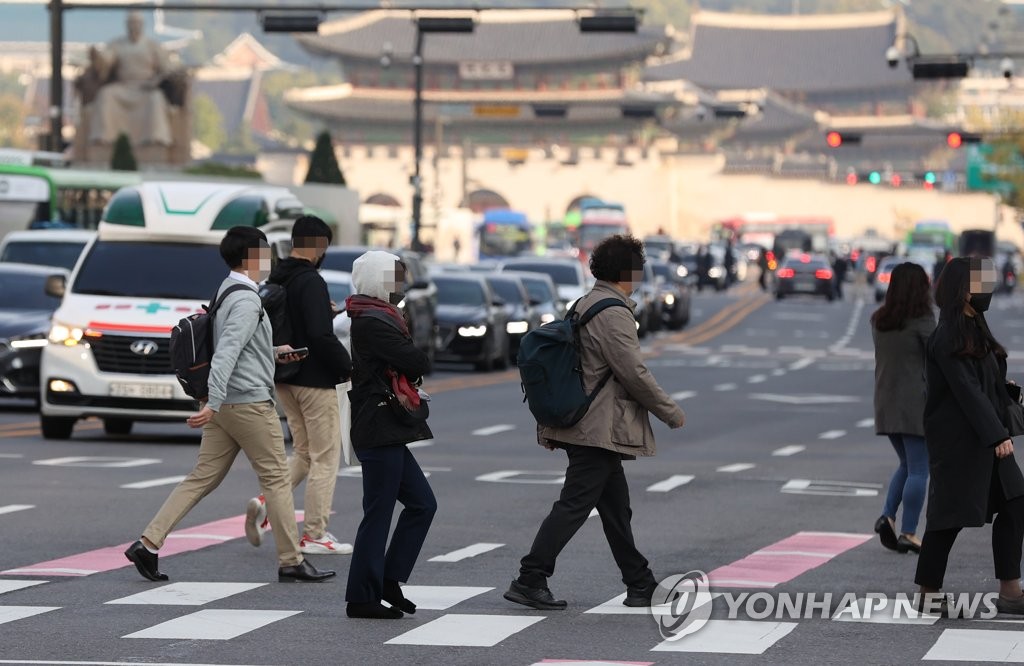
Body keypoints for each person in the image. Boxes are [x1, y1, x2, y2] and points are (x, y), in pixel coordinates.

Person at [124, 226, 335, 584]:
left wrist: (272, 354)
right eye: (266, 252)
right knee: (276, 480)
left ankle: (148, 543)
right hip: (247, 404)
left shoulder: (227, 290)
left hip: (228, 404)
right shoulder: (247, 299)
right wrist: (213, 402)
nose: (269, 259)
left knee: (201, 478)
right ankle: (290, 560)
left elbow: (236, 348)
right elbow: (225, 353)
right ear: (253, 256)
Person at [504, 234, 686, 611]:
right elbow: (632, 371)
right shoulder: (613, 312)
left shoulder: (586, 302)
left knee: (616, 510)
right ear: (630, 272)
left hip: (590, 424)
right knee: (574, 506)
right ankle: (530, 577)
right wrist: (669, 410)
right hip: (596, 427)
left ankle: (640, 584)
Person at [916, 257, 1024, 615]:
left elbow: (982, 383)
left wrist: (1006, 391)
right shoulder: (947, 335)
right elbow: (965, 390)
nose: (987, 290)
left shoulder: (975, 326)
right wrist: (996, 436)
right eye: (981, 284)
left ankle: (1010, 592)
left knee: (1015, 505)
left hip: (987, 436)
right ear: (962, 289)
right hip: (962, 442)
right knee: (949, 517)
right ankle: (928, 592)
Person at [245, 216, 353, 555]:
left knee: (304, 453)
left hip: (284, 378)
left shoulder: (279, 277)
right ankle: (315, 533)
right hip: (316, 380)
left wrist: (324, 313)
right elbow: (320, 336)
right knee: (325, 457)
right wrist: (347, 369)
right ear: (320, 245)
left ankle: (265, 501)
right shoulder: (311, 281)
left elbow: (295, 323)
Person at [344, 251, 437, 620]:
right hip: (376, 425)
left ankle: (386, 580)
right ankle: (362, 597)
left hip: (387, 427)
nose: (400, 286)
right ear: (377, 280)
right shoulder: (371, 321)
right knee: (378, 512)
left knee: (422, 504)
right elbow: (417, 362)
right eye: (394, 278)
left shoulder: (380, 315)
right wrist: (412, 353)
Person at [871, 262, 936, 554]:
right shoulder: (922, 320)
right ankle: (909, 532)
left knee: (907, 465)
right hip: (915, 404)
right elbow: (938, 357)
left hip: (885, 402)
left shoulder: (879, 320)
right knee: (920, 469)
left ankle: (887, 515)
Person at [88, 11, 176, 146]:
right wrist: (97, 57)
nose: (134, 26)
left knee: (156, 99)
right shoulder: (117, 44)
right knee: (106, 95)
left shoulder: (152, 46)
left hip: (146, 88)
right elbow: (106, 61)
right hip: (123, 86)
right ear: (126, 25)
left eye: (137, 23)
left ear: (142, 25)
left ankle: (155, 139)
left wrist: (155, 81)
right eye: (131, 23)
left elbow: (166, 69)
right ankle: (103, 138)